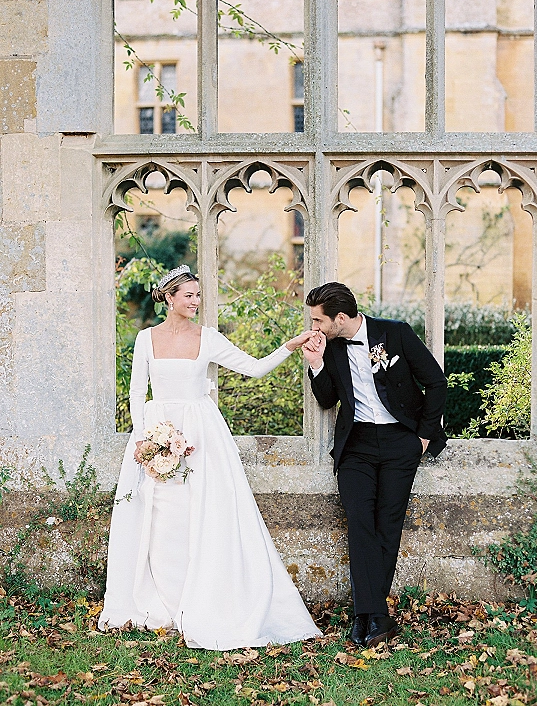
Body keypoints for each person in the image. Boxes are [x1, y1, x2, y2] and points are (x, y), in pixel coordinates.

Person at [99, 265, 320, 650]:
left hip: (201, 435)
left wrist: (291, 345)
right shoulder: (145, 339)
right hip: (157, 433)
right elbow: (137, 391)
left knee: (201, 513)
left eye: (199, 295)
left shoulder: (209, 338)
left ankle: (204, 600)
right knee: (161, 516)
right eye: (189, 295)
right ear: (168, 298)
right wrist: (144, 438)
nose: (196, 302)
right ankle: (163, 601)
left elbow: (253, 368)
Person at [301, 282, 447, 648]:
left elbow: (436, 381)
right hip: (357, 446)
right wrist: (316, 364)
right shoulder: (330, 347)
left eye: (319, 320)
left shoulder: (395, 333)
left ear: (340, 318)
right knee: (360, 521)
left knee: (388, 524)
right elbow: (327, 400)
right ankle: (373, 616)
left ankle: (367, 615)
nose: (314, 327)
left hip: (402, 442)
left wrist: (424, 438)